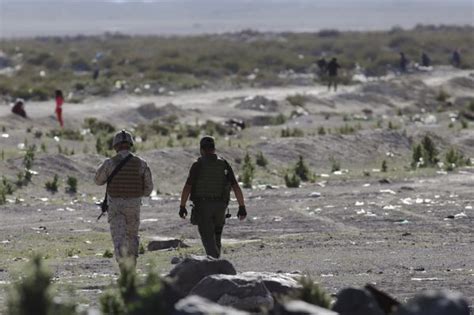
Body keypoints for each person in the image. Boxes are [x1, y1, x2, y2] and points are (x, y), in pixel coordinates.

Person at [95, 130, 153, 272]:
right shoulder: (141, 163)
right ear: (130, 145)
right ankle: (131, 267)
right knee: (132, 236)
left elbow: (98, 181)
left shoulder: (109, 163)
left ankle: (124, 271)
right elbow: (148, 190)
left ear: (115, 146)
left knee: (119, 238)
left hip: (116, 205)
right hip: (134, 205)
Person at [179, 136, 247, 259]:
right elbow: (235, 186)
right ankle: (217, 264)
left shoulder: (198, 164)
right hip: (221, 207)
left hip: (203, 207)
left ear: (201, 149)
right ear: (214, 149)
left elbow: (187, 187)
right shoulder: (224, 163)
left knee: (208, 238)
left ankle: (214, 265)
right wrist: (242, 206)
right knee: (217, 237)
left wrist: (182, 206)